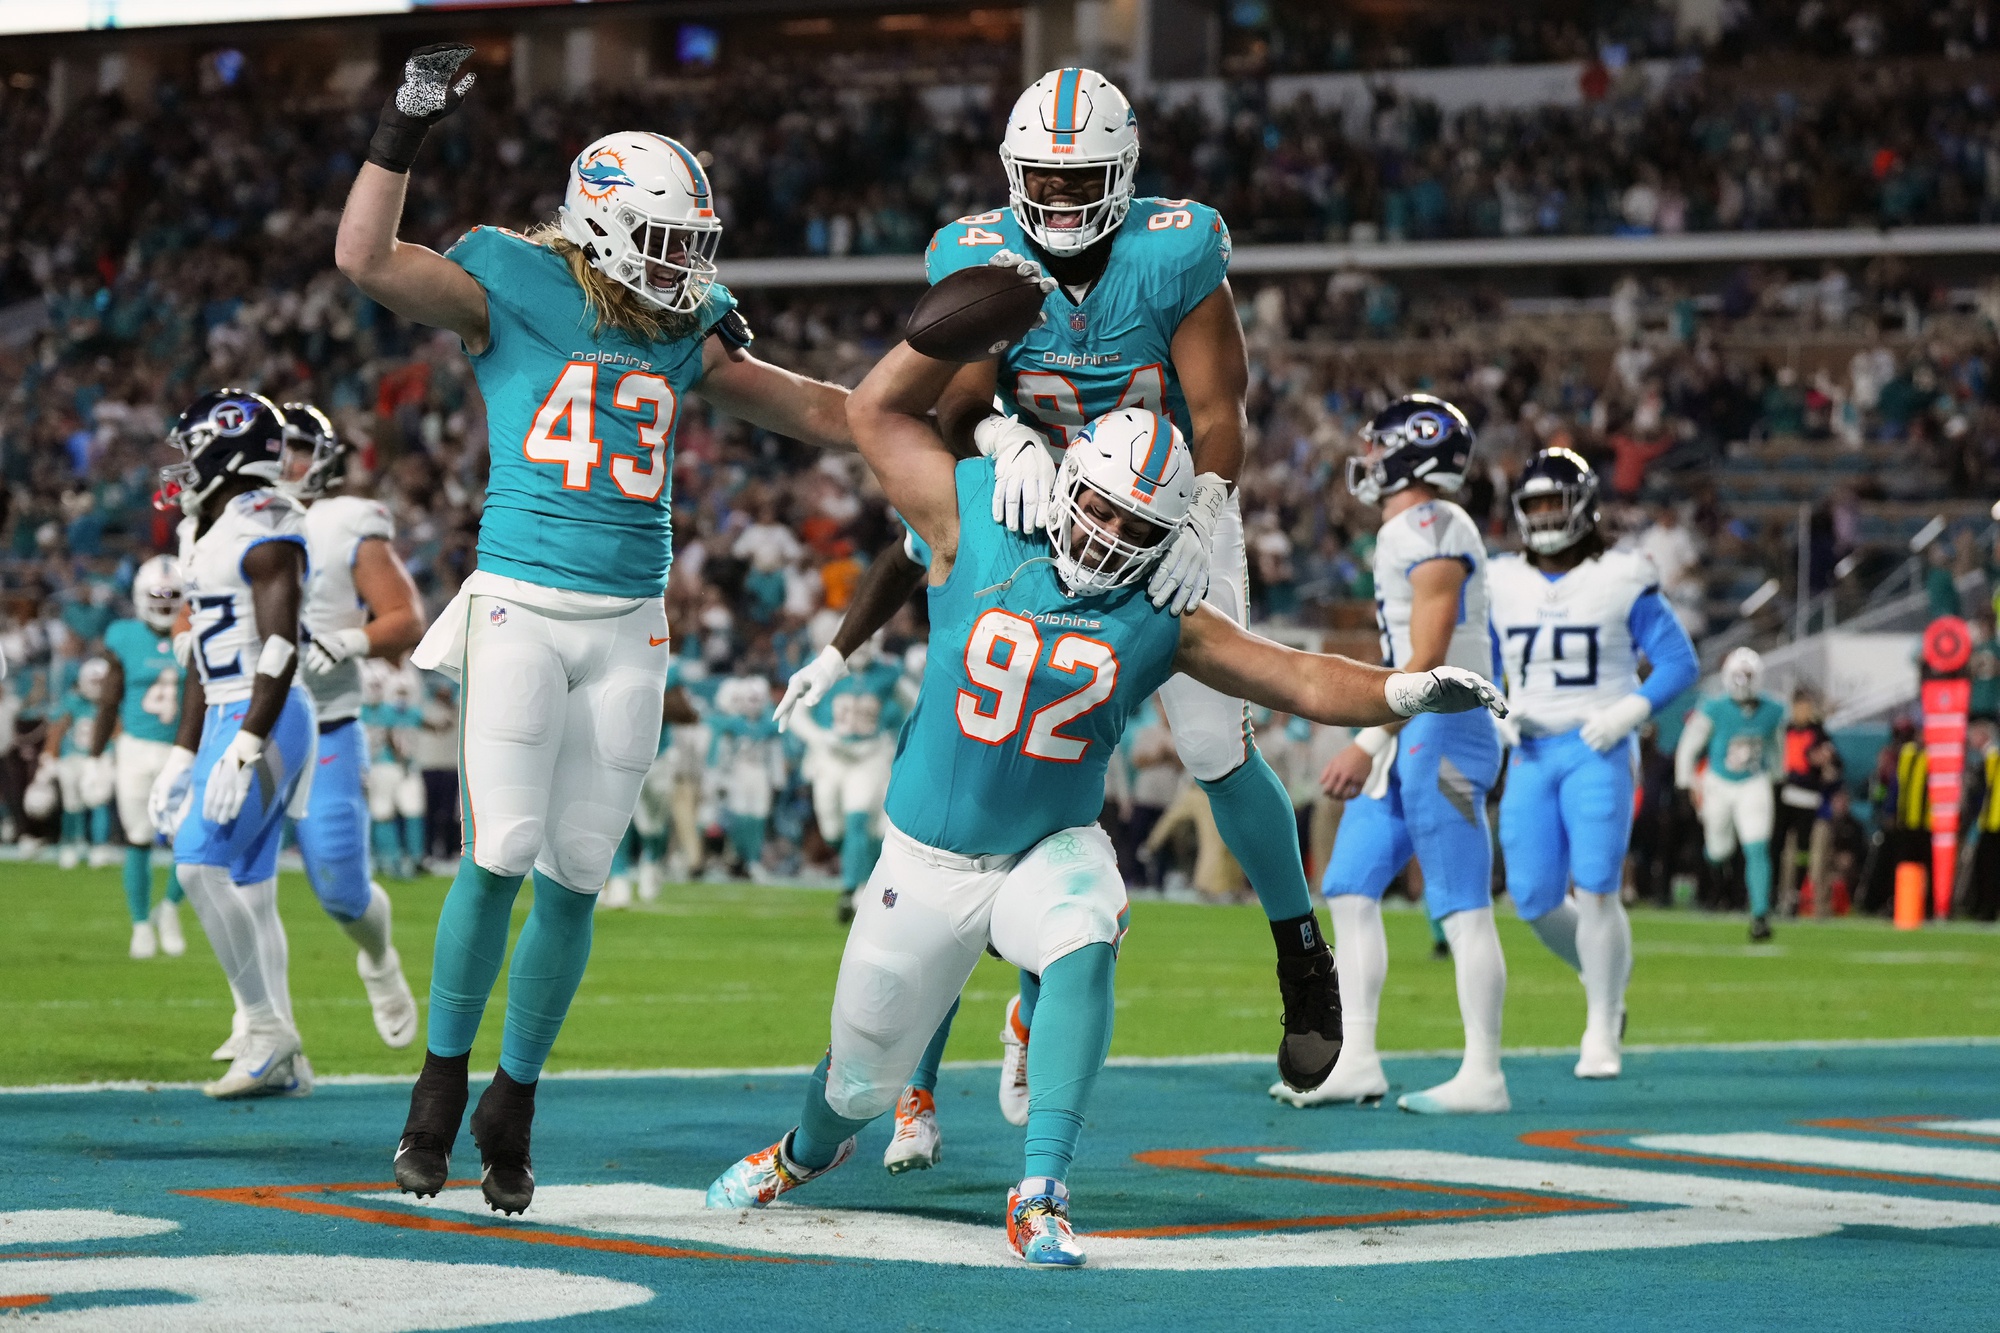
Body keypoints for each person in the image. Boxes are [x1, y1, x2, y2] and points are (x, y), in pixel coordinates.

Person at [706, 349, 1503, 1266]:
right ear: (1064, 480)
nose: (1108, 536)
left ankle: (1041, 1188)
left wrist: (1404, 692)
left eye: (1136, 525)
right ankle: (803, 1152)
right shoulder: (978, 512)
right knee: (855, 1082)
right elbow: (877, 416)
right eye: (1099, 507)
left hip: (1049, 843)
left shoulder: (1163, 605)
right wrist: (991, 413)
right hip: (925, 861)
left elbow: (1294, 675)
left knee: (1088, 925)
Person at [336, 45, 853, 1214]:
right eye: (667, 244)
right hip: (521, 598)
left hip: (631, 621)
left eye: (694, 248)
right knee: (501, 846)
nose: (686, 270)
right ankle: (436, 1088)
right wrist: (402, 127)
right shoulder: (511, 281)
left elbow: (818, 411)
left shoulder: (689, 328)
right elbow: (364, 258)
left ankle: (511, 1105)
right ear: (603, 225)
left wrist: (946, 418)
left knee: (576, 873)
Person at [1277, 395, 1511, 1116]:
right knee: (1349, 884)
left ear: (1415, 450)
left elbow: (1430, 657)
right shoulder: (1406, 528)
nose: (1370, 459)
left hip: (1449, 726)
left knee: (1463, 904)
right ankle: (1358, 1059)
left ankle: (1485, 1072)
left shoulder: (1436, 525)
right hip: (1414, 726)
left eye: (1381, 447)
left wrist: (1369, 734)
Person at [1486, 449, 1698, 1080]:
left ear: (1582, 506)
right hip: (1528, 749)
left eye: (1556, 501)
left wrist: (1625, 713)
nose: (1546, 515)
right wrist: (1497, 710)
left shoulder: (1621, 574)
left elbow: (1680, 662)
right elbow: (1483, 658)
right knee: (1531, 898)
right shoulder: (1501, 580)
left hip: (1596, 746)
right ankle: (1602, 974)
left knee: (1598, 888)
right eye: (1536, 505)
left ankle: (1602, 1024)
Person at [146, 389, 319, 1100]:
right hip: (225, 710)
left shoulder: (266, 520)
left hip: (268, 713)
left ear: (227, 446)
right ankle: (285, 1057)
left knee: (196, 866)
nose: (182, 466)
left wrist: (246, 742)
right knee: (250, 887)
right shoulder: (204, 528)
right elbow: (198, 656)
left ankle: (265, 1025)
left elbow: (279, 646)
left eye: (191, 449)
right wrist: (183, 754)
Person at [237, 403, 423, 1057]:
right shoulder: (224, 523)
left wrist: (352, 638)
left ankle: (378, 958)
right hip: (244, 729)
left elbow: (404, 616)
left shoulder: (343, 521)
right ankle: (260, 1023)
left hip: (326, 726)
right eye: (274, 447)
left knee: (343, 890)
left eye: (295, 448)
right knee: (231, 878)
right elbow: (191, 612)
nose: (284, 462)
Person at [95, 555, 190, 959]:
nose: (166, 602)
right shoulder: (124, 636)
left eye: (173, 595)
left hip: (182, 750)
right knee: (138, 838)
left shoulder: (196, 633)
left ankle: (168, 909)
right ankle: (139, 925)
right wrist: (94, 755)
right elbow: (109, 698)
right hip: (134, 748)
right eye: (158, 594)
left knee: (189, 841)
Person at [779, 634, 905, 921]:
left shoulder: (888, 674)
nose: (861, 645)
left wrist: (897, 740)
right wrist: (820, 737)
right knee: (833, 832)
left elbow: (916, 705)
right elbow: (798, 714)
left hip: (867, 757)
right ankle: (857, 876)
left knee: (858, 818)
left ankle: (852, 889)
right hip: (831, 759)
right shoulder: (827, 669)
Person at [1675, 647, 1787, 941]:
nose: (1743, 681)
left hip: (1753, 781)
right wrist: (1686, 783)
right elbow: (1689, 746)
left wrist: (1777, 777)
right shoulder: (1713, 707)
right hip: (1719, 784)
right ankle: (1714, 874)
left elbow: (1776, 748)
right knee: (1718, 850)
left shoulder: (1773, 710)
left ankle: (1760, 915)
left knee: (1757, 847)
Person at [47, 658, 117, 871]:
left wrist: (115, 754)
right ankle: (71, 843)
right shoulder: (73, 700)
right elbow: (58, 727)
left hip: (100, 756)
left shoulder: (113, 703)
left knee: (99, 801)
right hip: (73, 757)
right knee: (72, 804)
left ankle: (99, 846)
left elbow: (118, 730)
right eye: (93, 681)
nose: (96, 686)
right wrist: (49, 756)